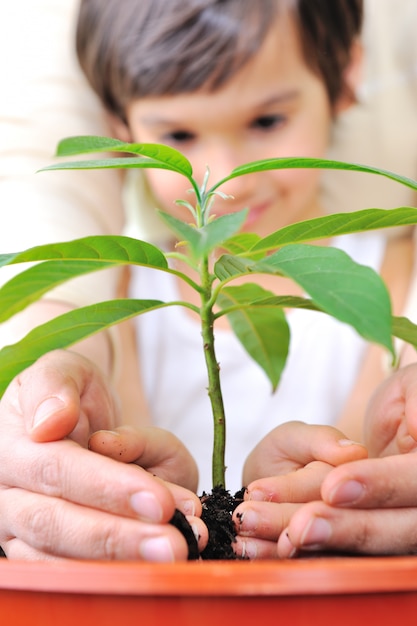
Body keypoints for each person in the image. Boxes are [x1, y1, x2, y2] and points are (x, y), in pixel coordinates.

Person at [0, 0, 415, 562]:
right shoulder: (115, 297)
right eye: (178, 134)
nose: (225, 181)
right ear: (119, 128)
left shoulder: (399, 274)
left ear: (344, 77)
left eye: (267, 121)